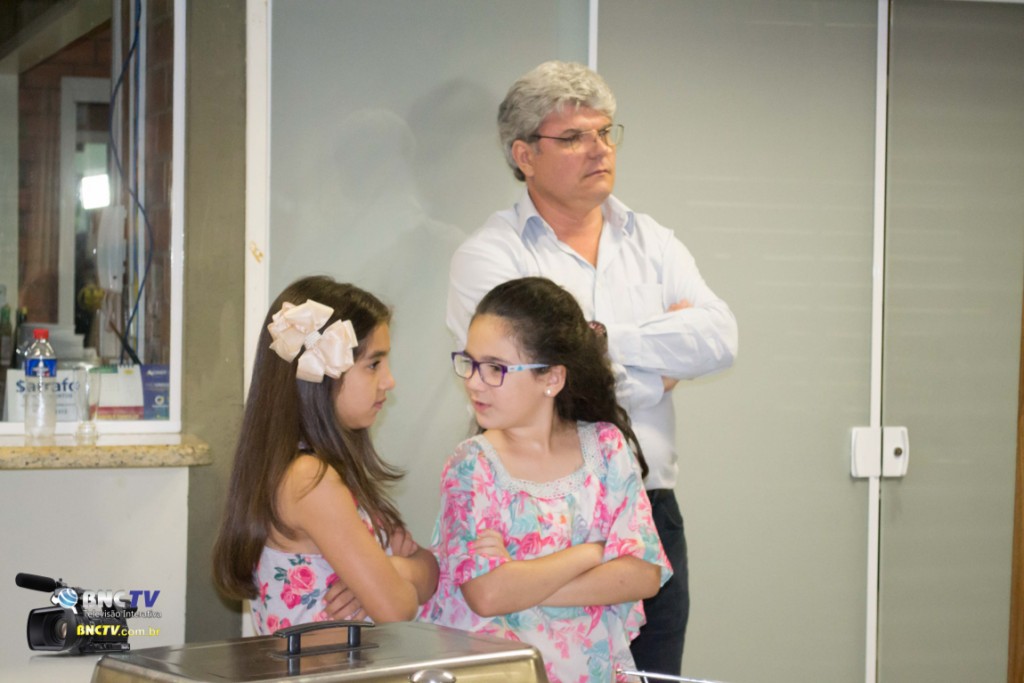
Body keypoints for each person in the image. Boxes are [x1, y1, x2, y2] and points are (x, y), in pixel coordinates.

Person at [446, 60, 738, 675]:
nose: (599, 149)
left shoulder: (652, 240)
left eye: (605, 132)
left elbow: (718, 338)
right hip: (530, 513)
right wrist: (658, 370)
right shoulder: (490, 254)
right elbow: (530, 388)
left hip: (646, 509)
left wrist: (602, 340)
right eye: (574, 137)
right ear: (524, 154)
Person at [421, 277, 672, 683]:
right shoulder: (471, 466)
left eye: (495, 368)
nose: (473, 382)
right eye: (470, 363)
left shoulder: (606, 448)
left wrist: (521, 578)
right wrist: (592, 553)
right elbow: (487, 594)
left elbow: (643, 574)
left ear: (552, 379)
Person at [212, 275, 437, 633]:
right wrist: (392, 575)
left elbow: (430, 571)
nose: (389, 380)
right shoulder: (310, 480)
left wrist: (393, 570)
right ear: (321, 376)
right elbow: (397, 608)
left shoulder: (328, 472)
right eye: (374, 364)